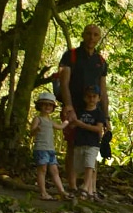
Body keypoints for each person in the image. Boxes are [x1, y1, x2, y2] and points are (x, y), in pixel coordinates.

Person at [54, 24, 110, 188]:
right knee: (72, 145)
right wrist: (69, 106)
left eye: (95, 35)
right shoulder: (70, 56)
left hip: (94, 109)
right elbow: (64, 83)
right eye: (89, 34)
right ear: (83, 34)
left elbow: (104, 91)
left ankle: (89, 188)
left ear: (99, 38)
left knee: (93, 146)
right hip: (75, 107)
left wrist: (105, 116)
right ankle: (72, 186)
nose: (91, 38)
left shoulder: (100, 61)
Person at [29, 93, 69, 201]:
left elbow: (60, 127)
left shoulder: (50, 121)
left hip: (50, 150)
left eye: (50, 105)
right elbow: (31, 132)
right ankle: (43, 192)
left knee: (55, 171)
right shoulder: (38, 119)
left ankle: (62, 192)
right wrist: (36, 130)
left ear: (52, 108)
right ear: (40, 106)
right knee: (42, 170)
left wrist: (67, 121)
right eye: (45, 104)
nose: (47, 107)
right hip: (41, 148)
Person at [70, 86, 107, 199]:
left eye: (94, 96)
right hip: (79, 142)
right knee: (79, 167)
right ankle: (85, 191)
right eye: (89, 96)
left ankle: (86, 188)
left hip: (92, 144)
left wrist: (81, 124)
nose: (91, 99)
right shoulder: (80, 111)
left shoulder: (99, 114)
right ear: (85, 98)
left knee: (89, 166)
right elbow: (72, 125)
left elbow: (98, 129)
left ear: (98, 98)